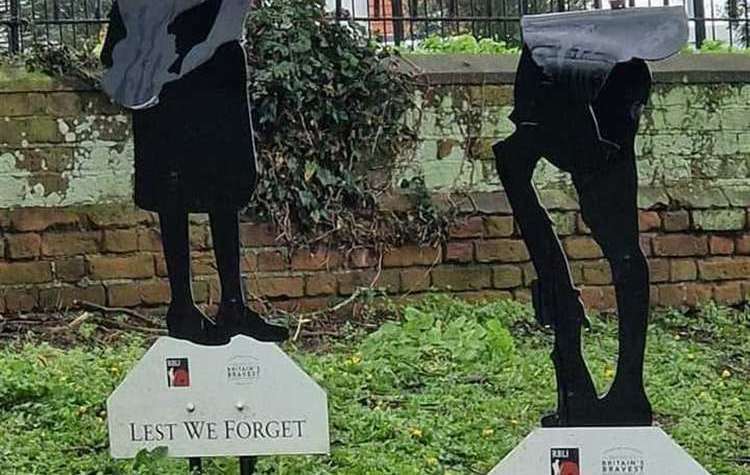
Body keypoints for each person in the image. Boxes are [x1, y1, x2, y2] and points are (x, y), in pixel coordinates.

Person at [101, 0, 288, 344]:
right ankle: (183, 308)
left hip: (213, 69)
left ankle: (232, 303)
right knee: (173, 190)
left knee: (224, 187)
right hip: (170, 69)